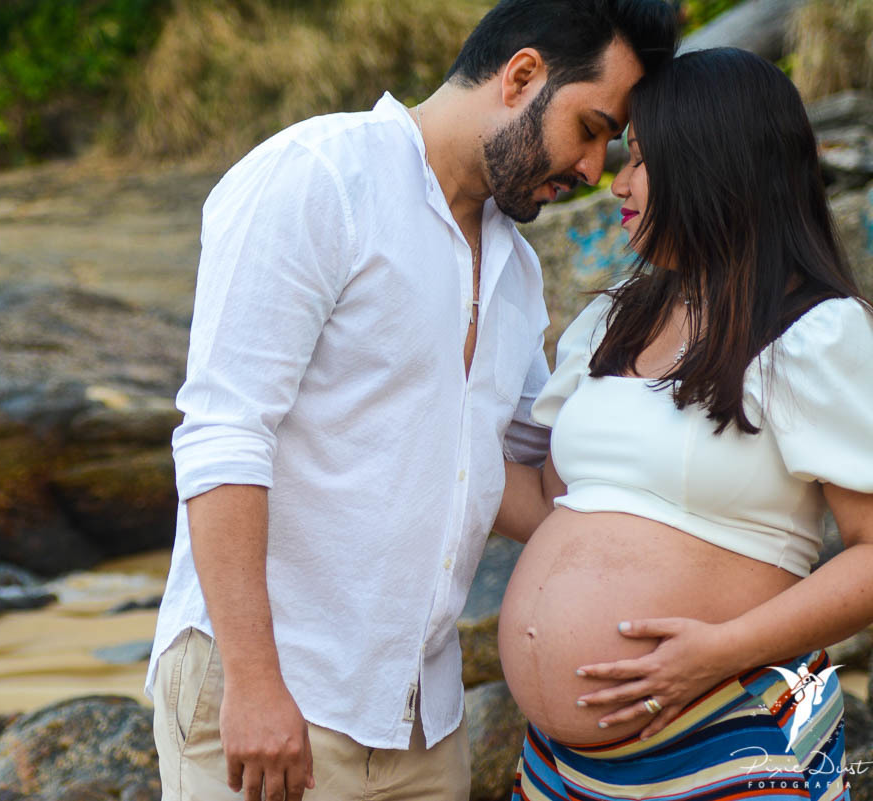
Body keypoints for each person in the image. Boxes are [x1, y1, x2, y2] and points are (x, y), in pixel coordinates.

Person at [144, 1, 679, 800]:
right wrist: (254, 684)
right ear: (522, 76)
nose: (595, 169)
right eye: (592, 126)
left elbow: (523, 483)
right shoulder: (320, 177)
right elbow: (224, 435)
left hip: (425, 724)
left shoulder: (516, 270)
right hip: (272, 698)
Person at [492, 47, 873, 801]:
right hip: (558, 766)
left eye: (641, 160)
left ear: (711, 164)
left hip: (727, 734)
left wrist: (719, 650)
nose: (616, 181)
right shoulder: (611, 320)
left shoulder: (813, 334)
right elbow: (547, 510)